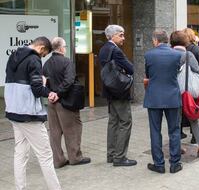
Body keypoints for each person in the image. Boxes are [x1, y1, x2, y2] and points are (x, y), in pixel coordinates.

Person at [5, 36, 81, 190]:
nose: (43, 56)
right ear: (41, 47)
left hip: (13, 112)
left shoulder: (14, 56)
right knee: (45, 156)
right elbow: (36, 87)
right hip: (29, 114)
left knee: (20, 154)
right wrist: (48, 90)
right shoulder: (34, 59)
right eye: (44, 53)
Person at [43, 37, 91, 168]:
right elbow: (69, 80)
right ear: (61, 48)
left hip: (52, 102)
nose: (65, 48)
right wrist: (58, 94)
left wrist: (50, 94)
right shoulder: (67, 62)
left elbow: (43, 81)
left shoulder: (46, 63)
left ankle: (58, 160)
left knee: (55, 132)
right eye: (65, 46)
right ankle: (75, 157)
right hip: (66, 102)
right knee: (73, 129)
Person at [171, 31, 199, 158]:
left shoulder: (168, 54)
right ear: (185, 41)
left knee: (175, 121)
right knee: (194, 119)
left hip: (171, 93)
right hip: (186, 94)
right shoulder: (188, 54)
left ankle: (176, 146)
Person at [144, 30, 183, 174]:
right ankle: (175, 163)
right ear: (167, 39)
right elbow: (177, 71)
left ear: (155, 40)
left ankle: (159, 164)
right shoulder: (177, 54)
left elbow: (148, 74)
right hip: (172, 97)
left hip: (154, 98)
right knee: (174, 131)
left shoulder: (149, 55)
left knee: (155, 131)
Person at [98, 25, 136, 167]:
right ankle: (119, 157)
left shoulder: (103, 49)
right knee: (125, 122)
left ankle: (111, 154)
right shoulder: (116, 51)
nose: (123, 38)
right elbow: (131, 69)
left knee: (113, 122)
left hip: (109, 90)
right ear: (112, 36)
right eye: (121, 35)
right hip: (120, 91)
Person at [183, 28, 199, 143]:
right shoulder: (196, 49)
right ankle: (195, 136)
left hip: (182, 84)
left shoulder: (180, 49)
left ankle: (180, 132)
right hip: (195, 84)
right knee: (194, 108)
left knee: (183, 107)